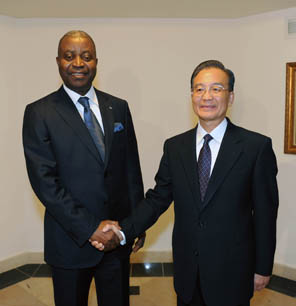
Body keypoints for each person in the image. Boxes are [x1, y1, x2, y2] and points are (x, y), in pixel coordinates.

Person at [95, 60, 279, 306]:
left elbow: (266, 214)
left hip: (232, 272)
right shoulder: (175, 147)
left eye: (216, 88)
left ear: (231, 96)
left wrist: (262, 267)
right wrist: (124, 230)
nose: (207, 96)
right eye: (199, 89)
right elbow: (158, 198)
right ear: (192, 95)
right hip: (187, 273)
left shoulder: (256, 148)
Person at [22, 30, 145, 306]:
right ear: (58, 61)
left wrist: (136, 223)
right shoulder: (39, 113)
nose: (78, 63)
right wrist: (91, 228)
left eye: (86, 56)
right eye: (69, 56)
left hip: (117, 241)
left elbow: (130, 170)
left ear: (96, 62)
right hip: (70, 243)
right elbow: (45, 183)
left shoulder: (119, 107)